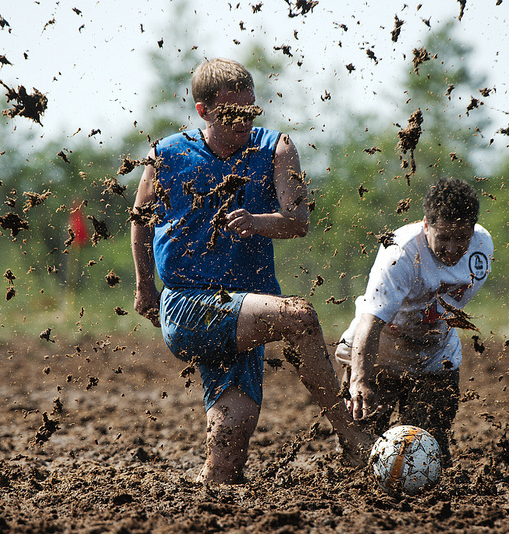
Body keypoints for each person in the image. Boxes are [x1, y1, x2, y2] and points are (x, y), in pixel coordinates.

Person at [131, 57, 373, 484]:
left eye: (250, 110)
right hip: (192, 303)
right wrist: (144, 286)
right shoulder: (167, 155)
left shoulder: (275, 148)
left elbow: (298, 221)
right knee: (299, 316)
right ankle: (351, 435)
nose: (243, 121)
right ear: (203, 110)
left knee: (227, 456)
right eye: (231, 113)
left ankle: (206, 503)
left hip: (246, 309)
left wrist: (257, 222)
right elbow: (141, 221)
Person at [335, 177, 493, 465]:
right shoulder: (401, 253)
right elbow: (372, 320)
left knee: (427, 453)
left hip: (433, 354)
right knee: (359, 451)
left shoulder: (482, 247)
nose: (453, 248)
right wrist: (359, 380)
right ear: (426, 226)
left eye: (462, 238)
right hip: (382, 351)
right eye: (443, 237)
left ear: (472, 230)